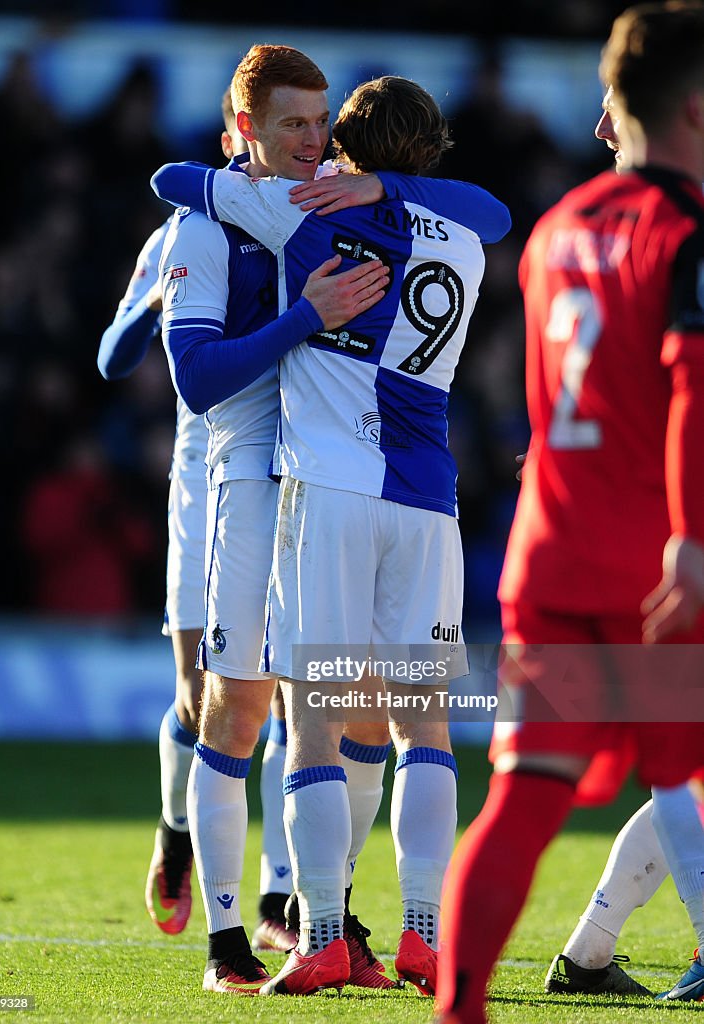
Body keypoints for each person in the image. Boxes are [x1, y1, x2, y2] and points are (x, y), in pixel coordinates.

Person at [152, 73, 510, 996]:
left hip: (333, 492)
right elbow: (499, 209)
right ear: (428, 153)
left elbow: (170, 181)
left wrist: (340, 193)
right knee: (423, 728)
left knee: (311, 725)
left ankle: (316, 936)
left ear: (347, 152)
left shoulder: (304, 217)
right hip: (431, 500)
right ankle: (425, 935)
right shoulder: (466, 240)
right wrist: (393, 187)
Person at [435, 4, 704, 1021]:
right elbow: (693, 391)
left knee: (525, 797)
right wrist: (691, 538)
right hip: (658, 561)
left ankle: (459, 1010)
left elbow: (553, 401)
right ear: (691, 105)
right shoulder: (684, 236)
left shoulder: (556, 229)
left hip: (548, 554)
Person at [96, 85, 384, 957]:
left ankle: (275, 899)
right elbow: (115, 359)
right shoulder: (189, 226)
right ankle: (176, 829)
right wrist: (153, 304)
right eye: (291, 124)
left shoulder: (313, 200)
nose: (312, 141)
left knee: (294, 696)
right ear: (239, 136)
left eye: (318, 126)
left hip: (298, 465)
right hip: (208, 475)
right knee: (208, 694)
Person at [543, 83, 704, 1000]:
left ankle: (591, 953)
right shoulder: (657, 221)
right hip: (667, 521)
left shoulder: (635, 220)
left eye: (613, 103)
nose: (600, 125)